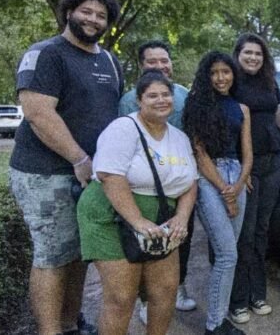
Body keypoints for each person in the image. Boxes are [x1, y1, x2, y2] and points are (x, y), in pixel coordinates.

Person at [9, 0, 122, 335]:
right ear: (69, 12)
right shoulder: (46, 54)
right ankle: (50, 331)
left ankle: (70, 324)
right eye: (86, 11)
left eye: (101, 15)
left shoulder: (109, 60)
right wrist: (79, 158)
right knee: (52, 255)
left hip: (90, 175)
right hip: (46, 173)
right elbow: (38, 113)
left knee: (78, 254)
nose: (93, 19)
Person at [77, 70, 197, 335]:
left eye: (165, 94)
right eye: (152, 95)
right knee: (121, 297)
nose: (161, 100)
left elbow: (191, 182)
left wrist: (182, 217)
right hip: (113, 216)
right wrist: (138, 221)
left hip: (160, 219)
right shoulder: (123, 128)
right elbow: (110, 176)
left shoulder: (180, 137)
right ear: (139, 100)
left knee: (165, 291)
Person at [119, 40, 196, 322]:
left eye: (164, 60)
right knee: (145, 241)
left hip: (180, 182)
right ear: (142, 66)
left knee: (181, 236)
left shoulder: (184, 95)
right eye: (152, 61)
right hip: (145, 185)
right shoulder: (129, 100)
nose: (160, 66)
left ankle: (177, 287)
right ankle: (146, 299)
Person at [228, 33, 280, 323]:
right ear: (238, 54)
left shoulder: (270, 82)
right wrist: (241, 172)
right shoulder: (231, 83)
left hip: (272, 163)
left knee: (261, 231)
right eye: (248, 53)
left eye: (258, 53)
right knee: (244, 233)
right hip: (246, 166)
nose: (253, 58)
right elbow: (227, 127)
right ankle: (238, 300)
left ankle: (258, 294)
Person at [183, 52, 252, 335]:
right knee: (226, 254)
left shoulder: (242, 108)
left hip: (237, 175)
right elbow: (199, 153)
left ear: (233, 74)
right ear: (206, 76)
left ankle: (219, 318)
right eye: (214, 73)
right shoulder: (196, 105)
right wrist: (226, 191)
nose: (221, 78)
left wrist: (239, 184)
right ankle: (215, 324)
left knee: (229, 253)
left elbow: (248, 154)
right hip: (209, 177)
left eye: (226, 72)